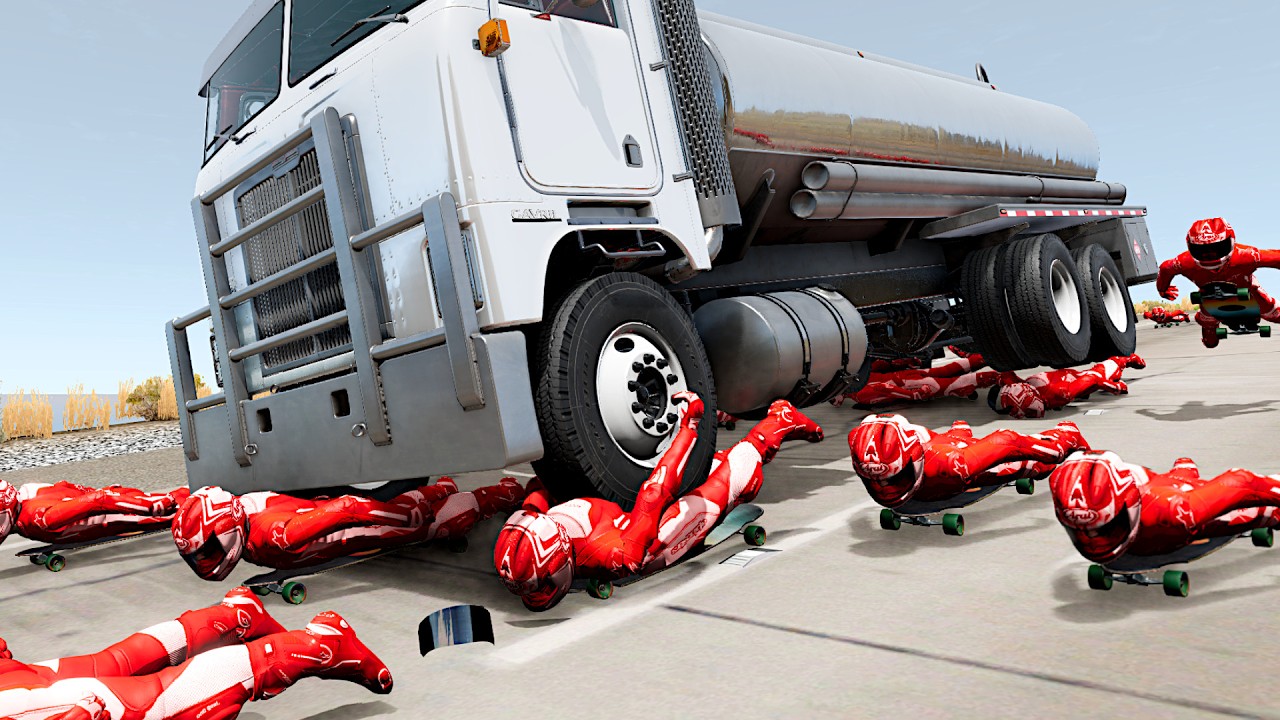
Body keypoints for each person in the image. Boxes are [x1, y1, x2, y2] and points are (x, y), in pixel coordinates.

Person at [493, 393, 823, 611]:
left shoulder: (600, 550)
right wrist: (688, 427)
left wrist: (689, 429)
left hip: (629, 525)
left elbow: (655, 492)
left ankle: (779, 421)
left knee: (681, 497)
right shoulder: (603, 552)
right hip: (641, 533)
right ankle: (776, 422)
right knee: (735, 480)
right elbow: (654, 494)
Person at [0, 587, 390, 720]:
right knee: (118, 661)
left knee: (158, 697)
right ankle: (236, 614)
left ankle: (322, 644)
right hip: (17, 683)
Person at [172, 476, 525, 581]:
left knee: (434, 522)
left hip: (365, 527)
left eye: (207, 549)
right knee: (418, 506)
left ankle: (503, 494)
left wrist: (400, 520)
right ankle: (447, 490)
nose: (206, 561)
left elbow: (349, 510)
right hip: (345, 517)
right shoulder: (247, 510)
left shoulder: (270, 535)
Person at [1049, 450, 1280, 565]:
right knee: (1178, 478)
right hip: (1151, 485)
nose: (1091, 541)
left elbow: (1242, 481)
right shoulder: (1087, 500)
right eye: (1078, 531)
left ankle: (1184, 469)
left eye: (1105, 529)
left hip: (1168, 497)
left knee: (1263, 514)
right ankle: (1183, 467)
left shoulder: (1172, 513)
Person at [848, 414, 1089, 508]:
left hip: (946, 457)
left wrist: (1056, 450)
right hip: (936, 446)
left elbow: (1008, 441)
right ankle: (960, 430)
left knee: (1034, 467)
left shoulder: (949, 465)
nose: (884, 485)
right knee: (953, 441)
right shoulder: (866, 450)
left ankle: (1067, 432)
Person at [1155, 217, 1280, 348]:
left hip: (1245, 294)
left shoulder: (1182, 262)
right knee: (1210, 341)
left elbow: (1166, 268)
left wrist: (1163, 289)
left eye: (1217, 249)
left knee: (1210, 333)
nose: (1210, 257)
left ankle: (1209, 324)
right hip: (1215, 299)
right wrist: (1163, 288)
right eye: (1202, 252)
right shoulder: (1249, 255)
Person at [0, 480, 189, 547]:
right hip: (113, 499)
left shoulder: (37, 518)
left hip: (122, 513)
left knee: (184, 506)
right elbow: (65, 486)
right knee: (182, 496)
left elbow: (100, 499)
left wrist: (151, 507)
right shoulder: (31, 492)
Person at [988, 354, 1146, 419]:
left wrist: (1116, 388)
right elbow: (1005, 375)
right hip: (1067, 383)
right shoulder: (1018, 386)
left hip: (1077, 380)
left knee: (1108, 370)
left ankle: (1127, 359)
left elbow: (1095, 379)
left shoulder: (1061, 393)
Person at [833, 354, 998, 408]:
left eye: (833, 398)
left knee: (954, 381)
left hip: (912, 384)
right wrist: (904, 362)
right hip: (909, 375)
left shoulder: (859, 395)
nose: (834, 402)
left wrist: (913, 396)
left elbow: (887, 389)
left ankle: (999, 376)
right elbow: (881, 368)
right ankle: (989, 357)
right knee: (949, 371)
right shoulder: (858, 379)